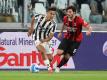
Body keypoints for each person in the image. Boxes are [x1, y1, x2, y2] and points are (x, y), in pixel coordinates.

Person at [55, 5, 92, 72]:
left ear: (74, 12)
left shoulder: (79, 20)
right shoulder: (65, 18)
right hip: (67, 38)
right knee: (59, 52)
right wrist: (60, 32)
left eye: (70, 12)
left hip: (76, 41)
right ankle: (64, 52)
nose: (68, 13)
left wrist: (89, 31)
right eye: (67, 12)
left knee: (67, 56)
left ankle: (58, 67)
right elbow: (64, 24)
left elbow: (89, 26)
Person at [27, 6, 57, 72]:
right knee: (42, 51)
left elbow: (51, 36)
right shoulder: (40, 16)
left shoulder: (54, 24)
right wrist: (31, 28)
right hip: (36, 37)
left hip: (45, 40)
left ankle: (38, 64)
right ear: (47, 13)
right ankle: (49, 68)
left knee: (50, 58)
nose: (52, 15)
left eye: (53, 14)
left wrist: (44, 40)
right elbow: (33, 18)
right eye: (51, 13)